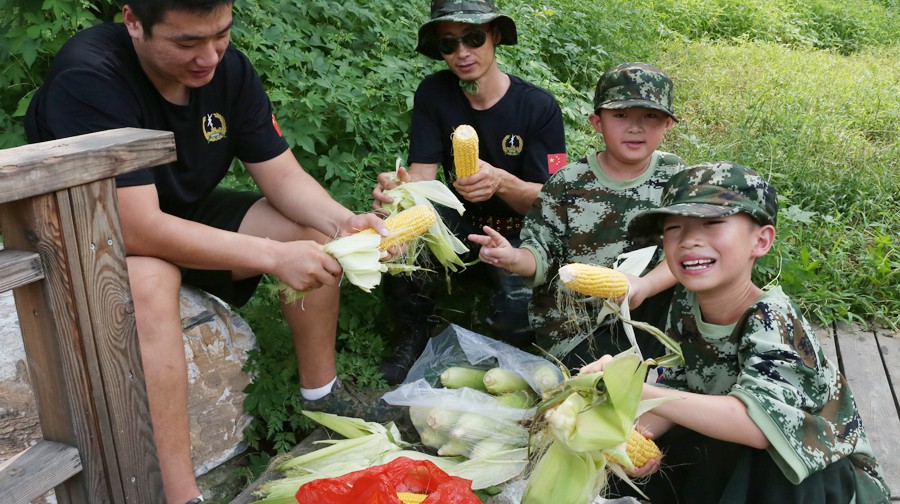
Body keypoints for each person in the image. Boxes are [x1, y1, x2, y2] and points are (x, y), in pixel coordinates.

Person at [24, 1, 396, 502]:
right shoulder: (89, 76)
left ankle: (323, 403)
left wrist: (344, 222)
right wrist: (268, 256)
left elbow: (281, 174)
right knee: (152, 280)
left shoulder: (229, 68)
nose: (209, 56)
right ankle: (182, 495)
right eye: (186, 43)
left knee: (313, 234)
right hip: (87, 231)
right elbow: (135, 228)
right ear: (133, 21)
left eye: (220, 34)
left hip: (175, 210)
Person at [583, 162, 891, 503]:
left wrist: (634, 389)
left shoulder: (773, 319)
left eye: (713, 223)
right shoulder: (685, 305)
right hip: (734, 445)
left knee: (762, 457)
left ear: (761, 241)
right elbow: (675, 384)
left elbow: (758, 426)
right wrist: (632, 433)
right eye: (674, 227)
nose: (689, 241)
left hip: (820, 477)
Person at [371, 0, 567, 384]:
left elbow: (553, 202)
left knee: (519, 322)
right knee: (399, 224)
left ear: (494, 36)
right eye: (449, 44)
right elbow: (423, 177)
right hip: (460, 223)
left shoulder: (539, 107)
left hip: (520, 234)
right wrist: (398, 190)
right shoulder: (434, 93)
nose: (462, 53)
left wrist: (501, 182)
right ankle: (413, 328)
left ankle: (495, 322)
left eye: (473, 38)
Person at [469, 62, 686, 368]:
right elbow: (540, 251)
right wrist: (512, 258)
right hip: (578, 324)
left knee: (674, 357)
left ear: (667, 125)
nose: (635, 128)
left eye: (649, 116)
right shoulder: (569, 183)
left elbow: (687, 251)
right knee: (599, 379)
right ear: (597, 122)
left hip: (649, 307)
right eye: (621, 116)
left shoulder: (676, 177)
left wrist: (645, 286)